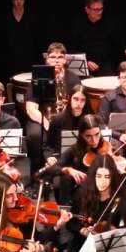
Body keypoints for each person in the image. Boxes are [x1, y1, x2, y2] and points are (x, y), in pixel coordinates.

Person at [23, 43, 84, 175]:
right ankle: (37, 172)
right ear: (47, 59)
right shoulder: (40, 77)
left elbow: (79, 101)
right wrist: (45, 122)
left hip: (66, 116)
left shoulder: (73, 78)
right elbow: (30, 107)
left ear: (65, 59)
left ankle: (68, 168)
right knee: (34, 134)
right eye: (53, 57)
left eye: (60, 57)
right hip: (44, 117)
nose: (56, 60)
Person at [69, 0, 126, 74]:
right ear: (87, 10)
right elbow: (74, 49)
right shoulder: (78, 25)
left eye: (101, 9)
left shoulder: (108, 23)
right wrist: (86, 62)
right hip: (86, 65)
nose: (99, 12)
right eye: (96, 10)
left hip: (105, 65)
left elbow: (116, 42)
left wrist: (125, 50)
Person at [0, 0, 39, 82]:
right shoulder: (4, 19)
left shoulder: (31, 19)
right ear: (12, 0)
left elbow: (36, 41)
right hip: (9, 61)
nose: (19, 1)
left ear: (24, 0)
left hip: (28, 60)